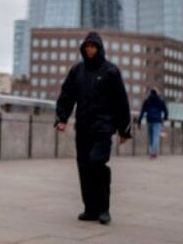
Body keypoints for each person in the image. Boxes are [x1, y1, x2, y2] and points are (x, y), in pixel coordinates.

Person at [55, 32, 132, 225]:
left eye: (93, 46)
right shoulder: (77, 71)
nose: (90, 49)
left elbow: (121, 102)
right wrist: (62, 117)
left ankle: (104, 209)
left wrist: (124, 129)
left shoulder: (111, 72)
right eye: (87, 46)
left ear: (99, 48)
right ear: (83, 48)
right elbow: (67, 95)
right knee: (84, 167)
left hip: (103, 128)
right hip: (83, 127)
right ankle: (90, 209)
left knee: (97, 163)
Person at [136, 88, 168, 160]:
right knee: (156, 137)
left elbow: (142, 111)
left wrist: (139, 121)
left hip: (149, 120)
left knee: (151, 138)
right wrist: (165, 118)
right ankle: (153, 154)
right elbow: (166, 111)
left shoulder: (147, 101)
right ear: (157, 93)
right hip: (157, 121)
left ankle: (152, 153)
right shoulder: (160, 101)